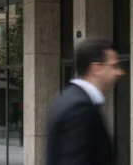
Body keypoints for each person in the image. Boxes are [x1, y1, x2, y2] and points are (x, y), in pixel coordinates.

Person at [46, 37, 125, 165]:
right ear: (96, 68)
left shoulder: (68, 98)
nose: (119, 72)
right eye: (114, 66)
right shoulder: (79, 108)